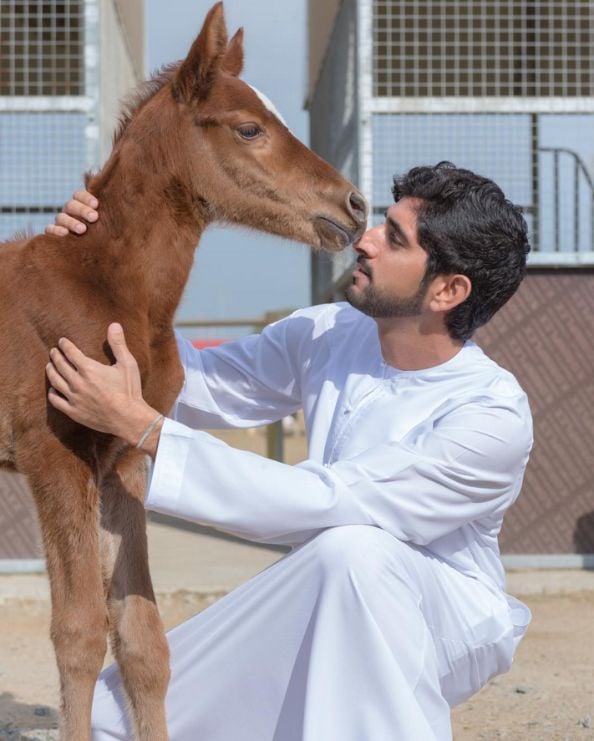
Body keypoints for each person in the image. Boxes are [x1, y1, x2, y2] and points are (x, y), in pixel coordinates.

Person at [46, 162, 533, 741]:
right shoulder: (330, 332)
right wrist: (95, 267)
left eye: (395, 238)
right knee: (113, 719)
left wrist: (142, 427)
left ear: (448, 291)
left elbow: (326, 502)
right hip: (329, 584)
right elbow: (198, 382)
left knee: (355, 551)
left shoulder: (489, 416)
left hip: (444, 622)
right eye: (382, 223)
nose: (366, 240)